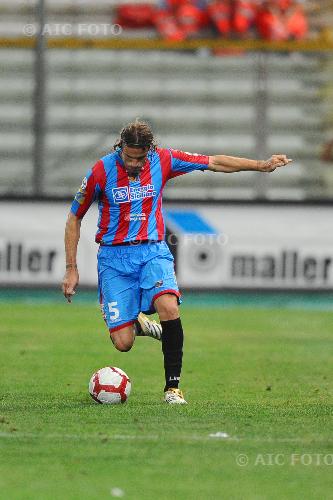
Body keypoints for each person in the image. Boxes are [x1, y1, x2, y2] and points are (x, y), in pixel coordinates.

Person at [62, 119, 292, 404]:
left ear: (149, 150)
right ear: (120, 148)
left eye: (139, 158)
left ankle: (172, 389)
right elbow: (74, 217)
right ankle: (139, 324)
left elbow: (214, 162)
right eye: (128, 157)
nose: (133, 164)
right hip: (113, 258)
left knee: (168, 306)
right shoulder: (100, 170)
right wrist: (71, 269)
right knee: (122, 344)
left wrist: (261, 165)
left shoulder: (164, 159)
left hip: (153, 251)